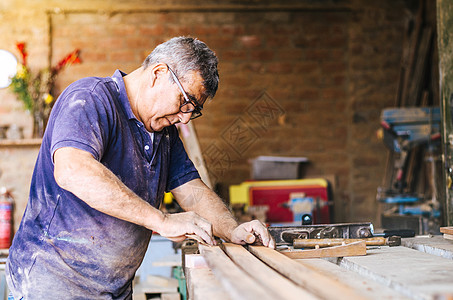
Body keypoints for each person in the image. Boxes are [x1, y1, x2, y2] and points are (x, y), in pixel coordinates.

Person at [6, 36, 274, 299]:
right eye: (185, 102)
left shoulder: (165, 134)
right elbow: (73, 170)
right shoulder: (91, 99)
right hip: (51, 284)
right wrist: (162, 221)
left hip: (113, 290)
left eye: (193, 111)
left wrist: (232, 229)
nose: (184, 118)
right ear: (159, 73)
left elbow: (191, 190)